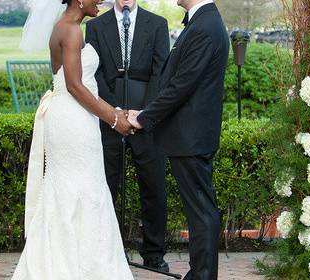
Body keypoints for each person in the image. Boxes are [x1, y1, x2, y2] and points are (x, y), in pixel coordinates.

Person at [11, 0, 135, 279]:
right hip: (73, 120)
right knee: (83, 189)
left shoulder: (65, 26)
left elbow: (83, 85)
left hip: (74, 116)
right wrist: (113, 120)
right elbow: (75, 86)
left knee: (75, 189)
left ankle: (66, 262)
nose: (101, 0)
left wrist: (114, 111)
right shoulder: (71, 30)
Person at [128, 0, 229, 279]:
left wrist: (144, 118)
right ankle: (199, 273)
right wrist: (147, 112)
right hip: (189, 136)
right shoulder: (202, 22)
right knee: (200, 210)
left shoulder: (205, 26)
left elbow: (181, 85)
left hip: (192, 137)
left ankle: (203, 275)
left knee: (201, 211)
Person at [85, 0, 170, 271]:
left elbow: (161, 73)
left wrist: (143, 115)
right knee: (107, 186)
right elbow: (94, 73)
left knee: (153, 187)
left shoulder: (157, 25)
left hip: (147, 120)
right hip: (110, 118)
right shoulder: (96, 27)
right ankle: (108, 251)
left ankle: (154, 254)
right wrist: (116, 113)